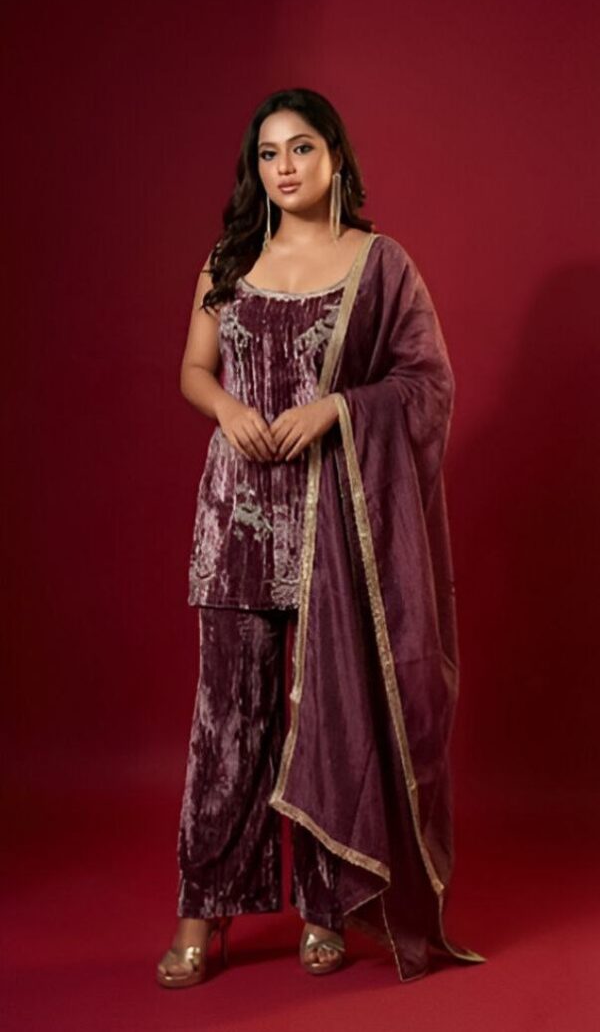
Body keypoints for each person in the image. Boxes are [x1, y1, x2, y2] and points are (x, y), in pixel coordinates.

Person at [156, 87, 486, 988]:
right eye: (268, 154)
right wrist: (227, 409)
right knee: (228, 720)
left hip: (334, 524)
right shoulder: (230, 257)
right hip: (235, 516)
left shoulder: (379, 265)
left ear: (335, 155)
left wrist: (337, 408)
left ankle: (326, 906)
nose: (285, 167)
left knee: (328, 714)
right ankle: (202, 910)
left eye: (302, 147)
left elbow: (427, 382)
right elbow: (194, 367)